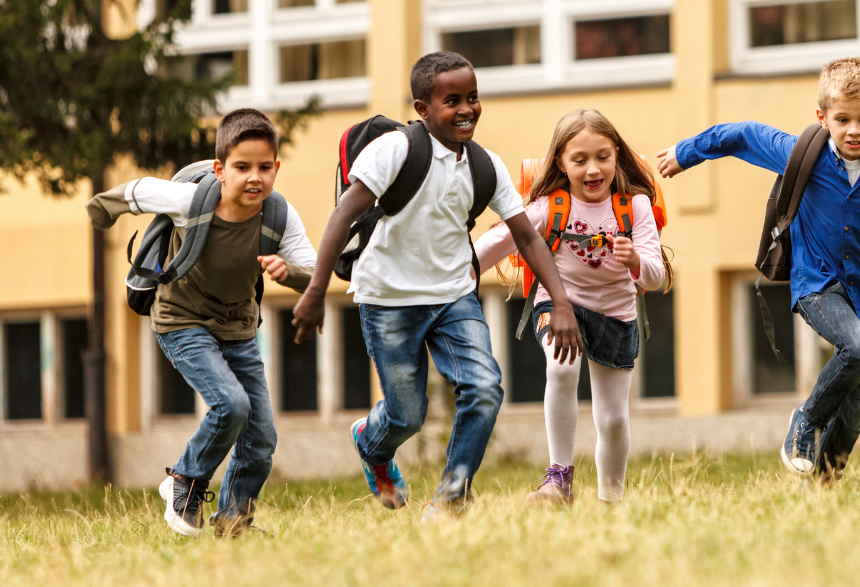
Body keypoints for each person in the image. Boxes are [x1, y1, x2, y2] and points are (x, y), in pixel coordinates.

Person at [291, 52, 581, 521]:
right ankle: (372, 441)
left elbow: (526, 234)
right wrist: (314, 291)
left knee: (485, 386)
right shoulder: (394, 151)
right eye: (452, 101)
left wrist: (561, 302)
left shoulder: (486, 166)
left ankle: (452, 496)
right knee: (407, 414)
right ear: (423, 108)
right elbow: (344, 215)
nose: (467, 108)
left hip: (452, 295)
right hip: (388, 299)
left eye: (473, 97)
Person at [656, 57, 860, 480]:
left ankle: (824, 483)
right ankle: (805, 420)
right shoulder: (804, 154)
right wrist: (685, 152)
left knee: (858, 406)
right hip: (816, 286)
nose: (853, 130)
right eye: (842, 119)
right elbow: (743, 135)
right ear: (822, 118)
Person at [86, 109, 317, 537]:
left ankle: (233, 521)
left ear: (276, 169)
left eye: (264, 168)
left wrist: (291, 272)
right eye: (242, 167)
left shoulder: (278, 216)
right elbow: (139, 191)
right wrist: (102, 210)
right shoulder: (191, 202)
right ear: (220, 169)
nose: (254, 178)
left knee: (261, 438)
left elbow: (314, 271)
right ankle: (185, 480)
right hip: (181, 321)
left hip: (239, 329)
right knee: (231, 405)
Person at [474, 109, 670, 505]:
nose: (593, 169)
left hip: (617, 316)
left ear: (616, 154)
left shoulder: (635, 208)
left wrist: (635, 261)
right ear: (561, 164)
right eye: (579, 160)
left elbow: (657, 279)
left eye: (602, 156)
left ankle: (610, 502)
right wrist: (447, 274)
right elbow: (496, 244)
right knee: (562, 367)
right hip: (561, 306)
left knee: (613, 421)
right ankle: (559, 477)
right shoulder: (550, 207)